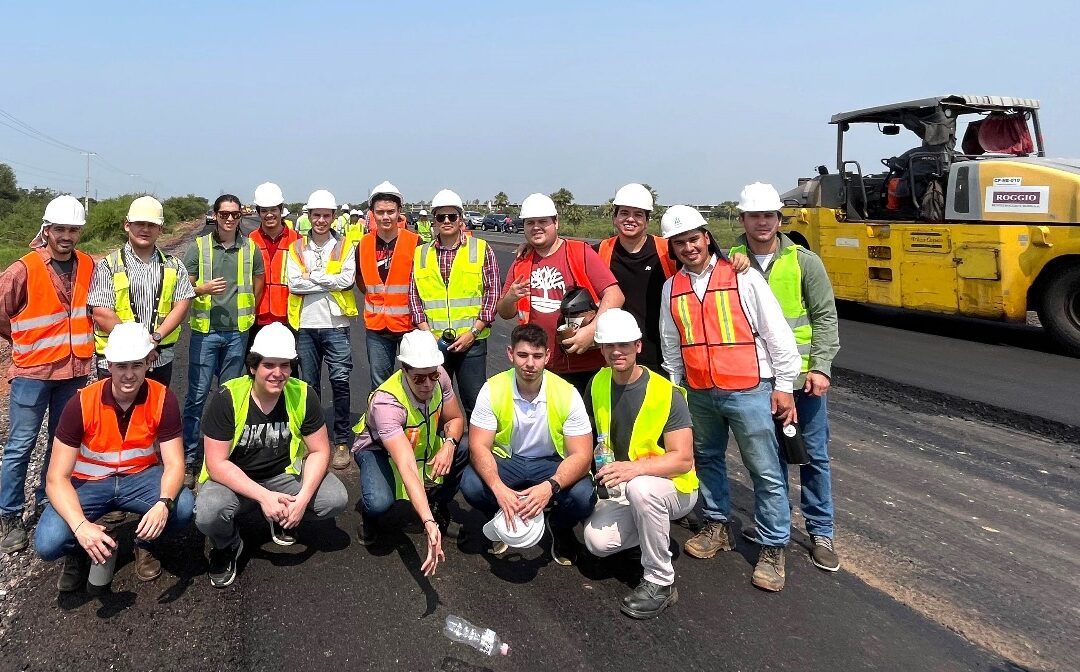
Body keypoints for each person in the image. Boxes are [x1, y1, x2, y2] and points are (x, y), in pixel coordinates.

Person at [659, 205, 802, 592]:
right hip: (700, 392)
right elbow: (671, 343)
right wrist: (678, 389)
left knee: (765, 468)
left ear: (706, 238)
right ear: (672, 248)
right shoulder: (671, 288)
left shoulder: (743, 278)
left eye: (693, 239)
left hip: (749, 389)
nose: (689, 248)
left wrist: (785, 385)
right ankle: (717, 525)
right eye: (680, 243)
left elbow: (776, 334)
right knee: (707, 460)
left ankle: (773, 548)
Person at [730, 182, 842, 572]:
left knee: (812, 456)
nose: (762, 223)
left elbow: (825, 317)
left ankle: (820, 531)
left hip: (802, 381)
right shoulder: (729, 261)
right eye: (753, 216)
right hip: (756, 379)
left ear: (779, 219)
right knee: (766, 458)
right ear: (742, 219)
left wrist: (820, 367)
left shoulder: (803, 262)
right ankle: (772, 526)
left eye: (768, 216)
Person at [34, 323, 194, 591]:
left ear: (148, 363)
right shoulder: (82, 403)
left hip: (139, 478)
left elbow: (176, 463)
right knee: (49, 542)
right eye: (122, 366)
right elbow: (55, 479)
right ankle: (84, 545)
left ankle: (144, 542)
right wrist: (81, 525)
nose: (129, 374)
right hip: (89, 484)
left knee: (183, 507)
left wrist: (163, 504)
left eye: (136, 365)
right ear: (109, 365)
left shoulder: (163, 398)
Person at [194, 322, 348, 588]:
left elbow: (321, 450)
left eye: (285, 365)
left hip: (282, 475)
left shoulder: (302, 393)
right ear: (253, 367)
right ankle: (228, 543)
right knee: (208, 512)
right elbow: (216, 464)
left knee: (334, 499)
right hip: (234, 479)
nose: (278, 373)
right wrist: (263, 496)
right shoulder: (228, 397)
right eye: (269, 365)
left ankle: (283, 514)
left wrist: (301, 501)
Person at [581, 309, 697, 619]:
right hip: (624, 485)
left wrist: (633, 469)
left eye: (624, 345)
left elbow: (683, 460)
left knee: (643, 489)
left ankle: (661, 582)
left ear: (638, 347)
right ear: (602, 349)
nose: (616, 352)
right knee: (596, 542)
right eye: (609, 345)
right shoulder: (598, 382)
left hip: (672, 487)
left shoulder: (666, 393)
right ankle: (652, 535)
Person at [0, 196, 95, 554]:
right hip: (32, 372)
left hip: (73, 370)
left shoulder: (87, 264)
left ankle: (45, 499)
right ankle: (10, 515)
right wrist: (21, 339)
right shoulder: (22, 269)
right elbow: (3, 312)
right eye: (60, 229)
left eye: (73, 229)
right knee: (20, 445)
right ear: (47, 229)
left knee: (60, 443)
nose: (67, 236)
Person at [460, 324, 596, 565]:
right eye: (523, 355)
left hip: (550, 463)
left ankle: (559, 526)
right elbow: (478, 447)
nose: (530, 364)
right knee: (471, 484)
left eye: (537, 356)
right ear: (510, 354)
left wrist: (550, 487)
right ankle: (502, 514)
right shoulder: (492, 389)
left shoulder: (567, 393)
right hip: (508, 461)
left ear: (547, 356)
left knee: (583, 496)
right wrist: (498, 488)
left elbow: (582, 456)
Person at [351, 330, 468, 574]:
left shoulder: (440, 376)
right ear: (404, 370)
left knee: (463, 447)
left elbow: (456, 419)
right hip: (379, 451)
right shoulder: (387, 403)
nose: (427, 384)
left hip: (419, 445)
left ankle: (438, 505)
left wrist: (449, 445)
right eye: (419, 378)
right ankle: (370, 513)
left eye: (432, 375)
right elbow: (406, 465)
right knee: (379, 502)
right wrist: (428, 524)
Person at [497, 193, 624, 396]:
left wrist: (591, 331)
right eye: (530, 222)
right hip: (540, 366)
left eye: (543, 221)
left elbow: (615, 295)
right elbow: (504, 312)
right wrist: (511, 298)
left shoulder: (579, 252)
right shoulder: (521, 262)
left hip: (585, 367)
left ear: (556, 222)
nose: (536, 227)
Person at [182, 194, 265, 487]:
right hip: (206, 332)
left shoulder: (250, 248)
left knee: (230, 397)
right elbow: (184, 286)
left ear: (240, 216)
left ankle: (225, 456)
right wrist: (202, 289)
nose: (229, 219)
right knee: (197, 396)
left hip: (236, 334)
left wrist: (249, 313)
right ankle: (191, 457)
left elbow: (258, 284)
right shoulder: (199, 247)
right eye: (224, 214)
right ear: (215, 216)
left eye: (234, 215)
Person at [409, 189, 500, 418]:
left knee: (475, 402)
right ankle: (438, 450)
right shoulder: (421, 254)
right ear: (434, 221)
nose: (446, 221)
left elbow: (492, 294)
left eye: (452, 216)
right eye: (441, 217)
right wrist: (427, 335)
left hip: (472, 342)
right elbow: (414, 298)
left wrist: (473, 331)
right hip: (434, 344)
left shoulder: (480, 249)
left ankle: (477, 452)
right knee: (434, 402)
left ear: (461, 219)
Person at [286, 189, 358, 471]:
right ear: (309, 216)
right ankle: (313, 441)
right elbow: (294, 284)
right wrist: (329, 279)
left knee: (340, 383)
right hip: (306, 325)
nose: (320, 220)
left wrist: (313, 277)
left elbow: (347, 279)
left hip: (336, 325)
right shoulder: (297, 248)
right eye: (316, 215)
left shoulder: (345, 245)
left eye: (326, 215)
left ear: (333, 217)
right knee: (310, 386)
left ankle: (341, 441)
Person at [88, 196, 195, 386]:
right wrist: (140, 348)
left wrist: (155, 339)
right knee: (114, 415)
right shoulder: (108, 265)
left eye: (151, 225)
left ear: (160, 229)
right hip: (116, 363)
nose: (145, 229)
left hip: (158, 360)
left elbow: (180, 307)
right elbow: (102, 313)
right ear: (127, 225)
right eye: (139, 224)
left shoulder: (174, 265)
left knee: (154, 413)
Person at [593, 184, 677, 373]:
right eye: (624, 213)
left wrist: (740, 256)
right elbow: (564, 251)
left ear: (647, 221)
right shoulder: (599, 252)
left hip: (661, 355)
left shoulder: (668, 252)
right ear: (615, 218)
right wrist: (532, 246)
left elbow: (702, 260)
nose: (630, 219)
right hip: (616, 356)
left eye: (638, 214)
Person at [356, 181, 421, 391]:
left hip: (409, 326)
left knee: (415, 382)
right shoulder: (363, 244)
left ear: (399, 212)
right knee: (380, 385)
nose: (386, 217)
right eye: (380, 212)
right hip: (377, 328)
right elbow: (360, 280)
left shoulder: (416, 243)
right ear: (372, 213)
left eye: (391, 212)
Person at [249, 182, 300, 347]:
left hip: (288, 317)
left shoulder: (297, 240)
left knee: (288, 368)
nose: (269, 215)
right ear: (258, 212)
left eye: (273, 210)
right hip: (257, 316)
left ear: (281, 210)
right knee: (256, 367)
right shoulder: (250, 240)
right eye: (264, 210)